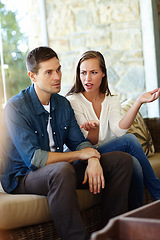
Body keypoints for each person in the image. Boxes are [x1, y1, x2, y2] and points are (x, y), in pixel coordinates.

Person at [0, 46, 134, 240]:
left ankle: (109, 234)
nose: (57, 77)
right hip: (24, 176)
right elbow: (35, 159)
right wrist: (81, 155)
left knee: (121, 161)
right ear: (32, 76)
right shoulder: (16, 107)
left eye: (58, 69)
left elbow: (78, 142)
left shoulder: (62, 104)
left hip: (60, 169)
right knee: (62, 170)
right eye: (49, 72)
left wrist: (94, 160)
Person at [67, 50, 160, 202]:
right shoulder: (73, 101)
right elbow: (85, 146)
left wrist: (138, 102)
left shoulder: (111, 100)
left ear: (103, 73)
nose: (87, 78)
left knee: (134, 164)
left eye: (93, 72)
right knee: (130, 141)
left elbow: (119, 131)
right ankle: (158, 195)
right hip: (85, 159)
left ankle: (136, 216)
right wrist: (94, 131)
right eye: (83, 73)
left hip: (106, 155)